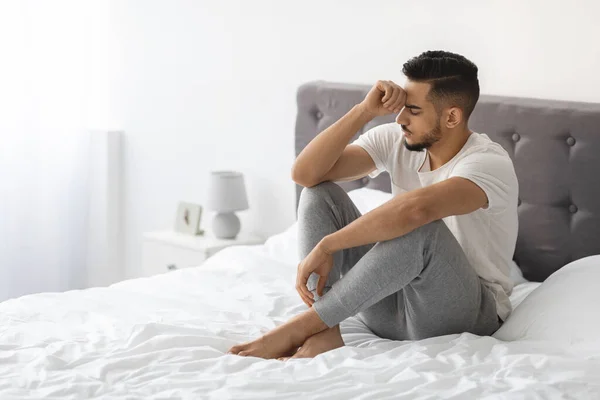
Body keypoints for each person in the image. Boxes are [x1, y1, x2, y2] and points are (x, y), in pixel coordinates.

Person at [227, 50, 519, 361]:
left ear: (451, 117)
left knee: (423, 231)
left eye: (414, 110)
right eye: (402, 107)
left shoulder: (487, 163)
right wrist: (364, 110)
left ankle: (304, 326)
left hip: (463, 312)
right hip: (387, 303)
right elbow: (305, 174)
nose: (400, 118)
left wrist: (328, 246)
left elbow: (415, 211)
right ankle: (325, 332)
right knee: (319, 192)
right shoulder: (398, 139)